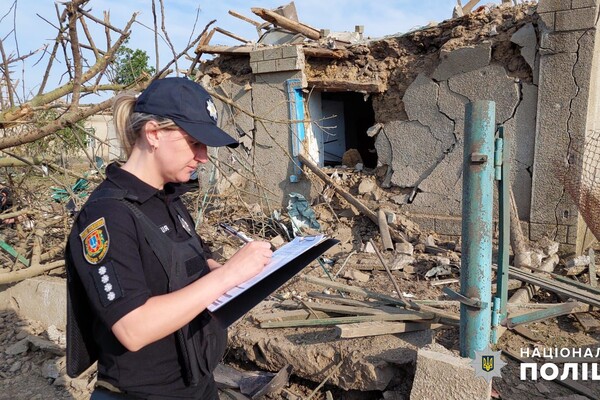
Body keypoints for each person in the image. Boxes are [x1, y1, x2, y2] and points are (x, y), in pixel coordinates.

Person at [65, 77, 273, 399]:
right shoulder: (107, 215)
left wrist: (250, 275)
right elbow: (132, 328)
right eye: (195, 142)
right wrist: (229, 275)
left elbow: (197, 264)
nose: (203, 157)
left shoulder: (167, 199)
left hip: (198, 381)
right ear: (153, 134)